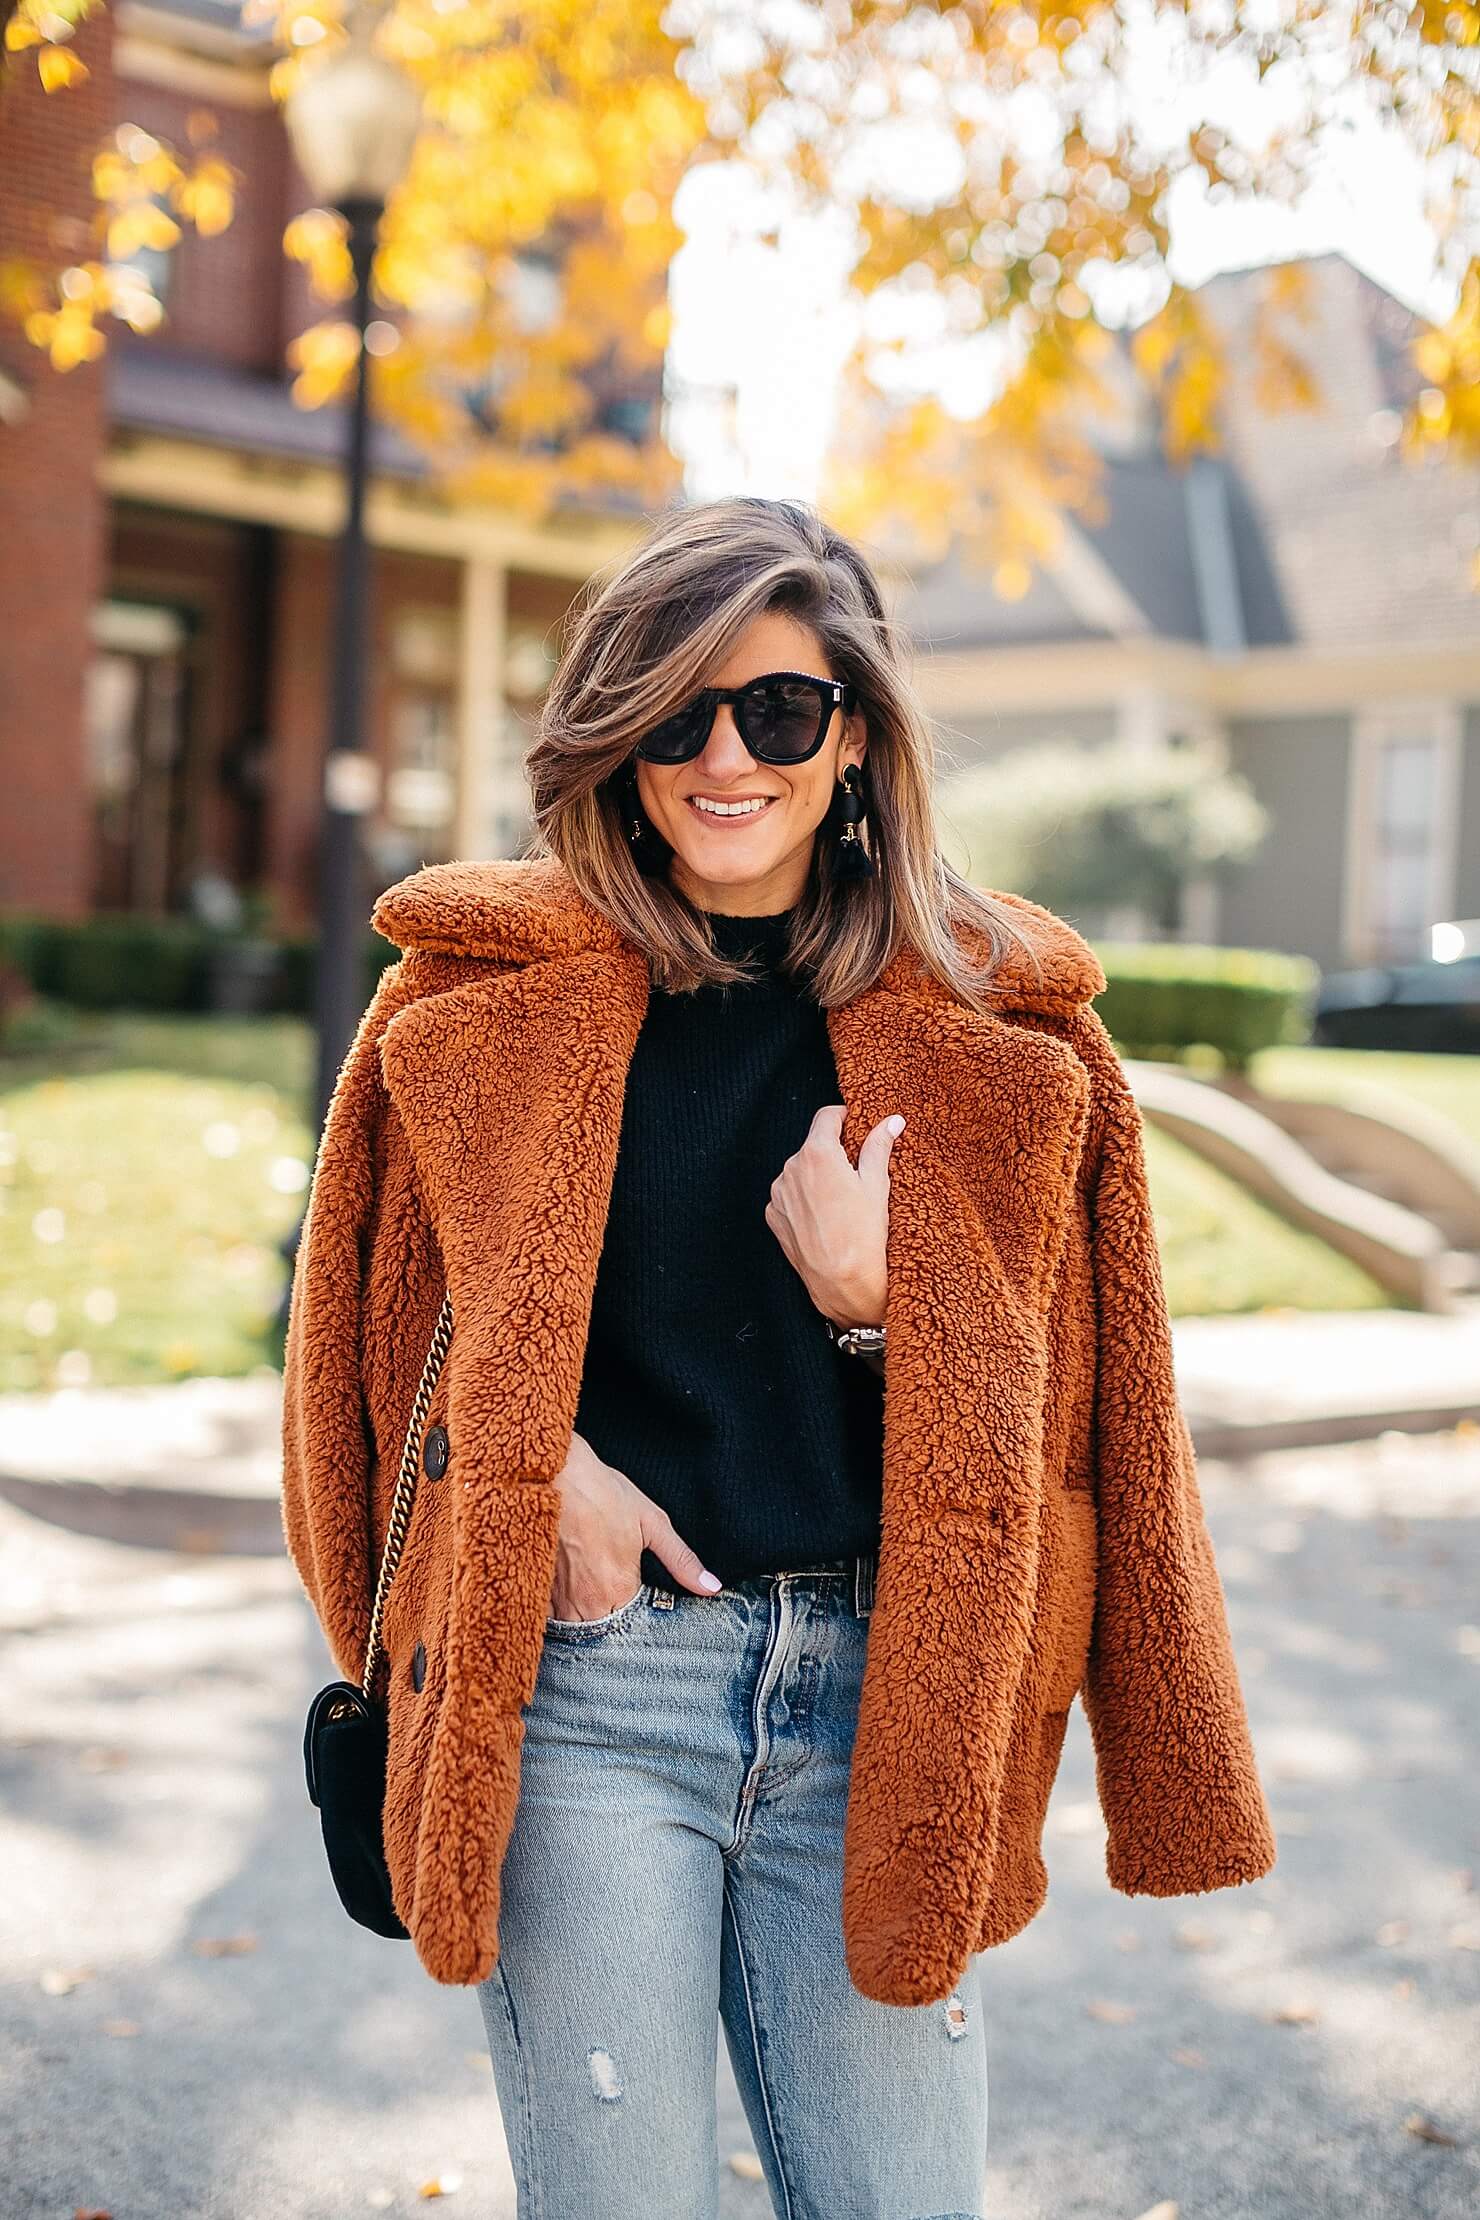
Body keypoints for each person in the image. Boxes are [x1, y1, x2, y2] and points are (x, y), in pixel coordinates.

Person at [281, 494, 1276, 2220]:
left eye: (780, 711)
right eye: (675, 715)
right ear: (616, 742)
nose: (723, 757)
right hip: (595, 1694)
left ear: (858, 743)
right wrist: (543, 1484)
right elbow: (350, 1384)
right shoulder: (466, 992)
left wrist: (883, 1312)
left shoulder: (1008, 1024)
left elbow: (1109, 1427)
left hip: (892, 1709)